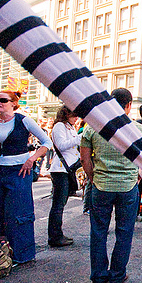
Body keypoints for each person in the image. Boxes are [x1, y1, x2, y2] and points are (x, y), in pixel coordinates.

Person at [81, 88, 142, 283]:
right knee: (124, 231)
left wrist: (92, 177)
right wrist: (136, 177)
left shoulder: (93, 127)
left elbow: (84, 158)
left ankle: (99, 277)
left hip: (101, 186)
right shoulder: (139, 129)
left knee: (98, 231)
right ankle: (117, 275)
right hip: (128, 187)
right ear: (128, 105)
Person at [0, 90, 52, 263]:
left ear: (13, 103)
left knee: (18, 213)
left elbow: (47, 142)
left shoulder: (23, 120)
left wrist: (32, 159)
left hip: (18, 171)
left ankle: (21, 254)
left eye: (3, 100)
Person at [47, 106, 81, 247]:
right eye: (74, 115)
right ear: (67, 114)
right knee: (58, 204)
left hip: (68, 168)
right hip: (60, 169)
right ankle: (55, 235)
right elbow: (61, 145)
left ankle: (57, 233)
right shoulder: (59, 126)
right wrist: (78, 138)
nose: (76, 118)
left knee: (61, 202)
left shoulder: (70, 127)